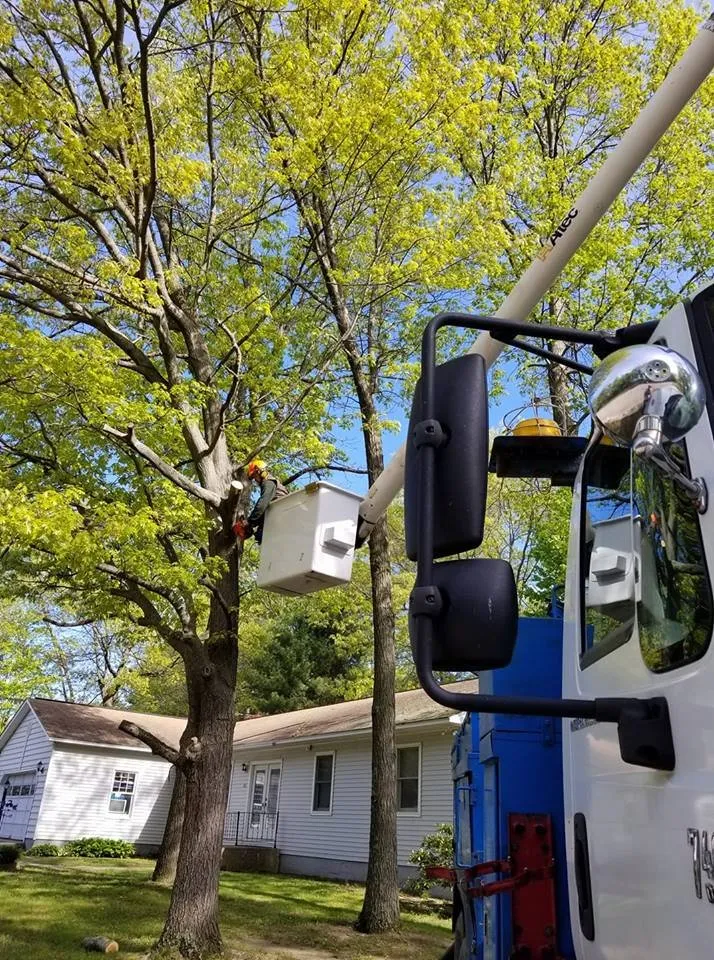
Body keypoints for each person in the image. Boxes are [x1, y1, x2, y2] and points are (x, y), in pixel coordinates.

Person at [233, 459, 288, 544]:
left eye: (254, 476)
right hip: (278, 515)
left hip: (280, 513)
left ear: (259, 471)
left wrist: (249, 521)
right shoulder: (269, 484)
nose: (255, 480)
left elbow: (263, 504)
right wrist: (253, 525)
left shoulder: (269, 482)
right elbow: (266, 508)